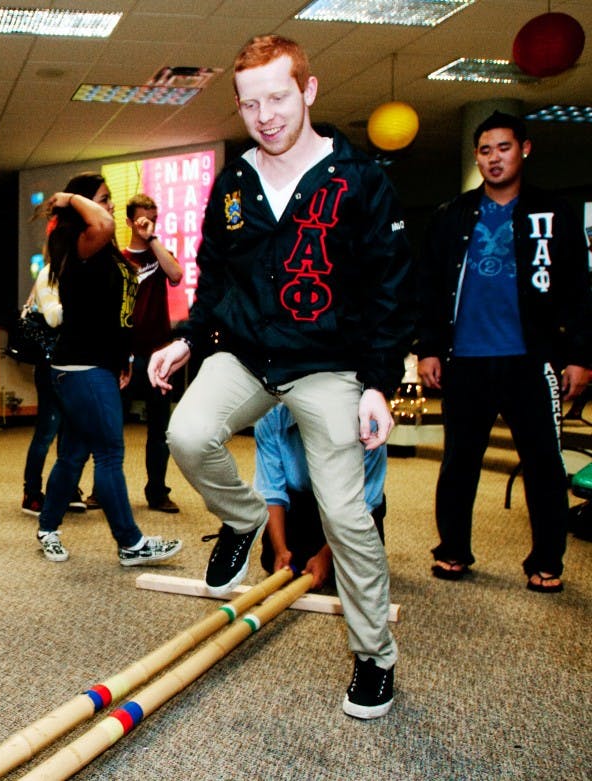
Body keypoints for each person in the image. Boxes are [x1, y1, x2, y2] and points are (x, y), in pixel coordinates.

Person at [148, 35, 412, 720]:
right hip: (247, 352)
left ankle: (375, 657)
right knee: (188, 431)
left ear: (309, 92)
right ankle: (240, 521)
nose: (264, 115)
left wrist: (380, 382)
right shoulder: (235, 181)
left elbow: (390, 287)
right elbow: (214, 271)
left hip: (329, 363)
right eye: (250, 103)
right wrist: (186, 338)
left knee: (345, 512)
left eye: (278, 97)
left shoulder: (358, 179)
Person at [416, 110, 592, 593]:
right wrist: (428, 348)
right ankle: (452, 549)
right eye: (486, 150)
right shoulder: (452, 215)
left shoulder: (554, 214)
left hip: (531, 361)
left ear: (525, 149)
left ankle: (546, 560)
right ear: (477, 156)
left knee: (544, 465)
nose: (495, 159)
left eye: (504, 148)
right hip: (465, 360)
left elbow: (580, 289)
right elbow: (429, 288)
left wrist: (579, 354)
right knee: (458, 463)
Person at [35, 172, 182, 566]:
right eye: (103, 198)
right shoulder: (84, 241)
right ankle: (130, 542)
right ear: (82, 205)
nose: (111, 206)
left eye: (111, 198)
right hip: (82, 366)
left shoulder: (102, 247)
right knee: (109, 454)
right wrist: (67, 197)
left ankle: (47, 527)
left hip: (95, 363)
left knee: (74, 453)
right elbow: (99, 221)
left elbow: (117, 315)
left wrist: (124, 360)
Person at [254, 404, 386, 589]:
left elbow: (364, 502)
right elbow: (271, 493)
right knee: (276, 562)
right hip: (302, 502)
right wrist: (280, 550)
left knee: (353, 573)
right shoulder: (272, 418)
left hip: (351, 507)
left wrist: (326, 556)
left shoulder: (367, 424)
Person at [121, 194, 183, 513]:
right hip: (125, 356)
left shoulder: (161, 255)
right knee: (111, 428)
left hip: (159, 354)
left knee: (159, 429)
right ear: (129, 221)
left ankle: (157, 491)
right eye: (142, 219)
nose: (148, 223)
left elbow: (176, 275)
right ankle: (104, 491)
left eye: (153, 218)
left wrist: (153, 239)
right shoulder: (117, 258)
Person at [19, 263, 91, 517]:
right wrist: (85, 302)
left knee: (72, 430)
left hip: (77, 361)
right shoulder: (49, 273)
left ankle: (67, 489)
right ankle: (32, 492)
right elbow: (52, 317)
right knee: (47, 430)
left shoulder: (84, 270)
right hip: (50, 362)